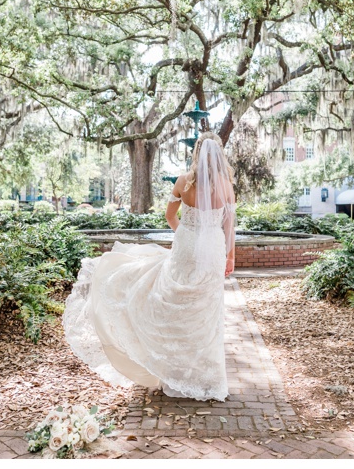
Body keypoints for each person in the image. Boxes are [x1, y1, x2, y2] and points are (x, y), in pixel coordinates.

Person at [61, 133, 236, 401]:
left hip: (185, 247)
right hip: (212, 249)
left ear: (197, 153)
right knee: (205, 311)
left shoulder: (182, 182)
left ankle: (170, 370)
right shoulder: (226, 186)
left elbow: (169, 217)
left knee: (174, 304)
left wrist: (186, 234)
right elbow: (228, 227)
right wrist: (230, 256)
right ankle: (206, 379)